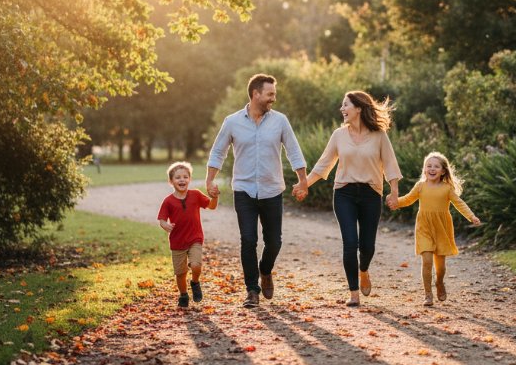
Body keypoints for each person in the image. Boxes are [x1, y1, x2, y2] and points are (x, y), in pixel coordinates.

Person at [206, 74, 308, 308]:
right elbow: (218, 152)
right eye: (270, 93)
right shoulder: (232, 121)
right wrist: (210, 180)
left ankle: (265, 270)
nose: (274, 97)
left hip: (272, 189)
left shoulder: (280, 121)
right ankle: (252, 290)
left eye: (274, 93)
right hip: (244, 190)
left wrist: (303, 181)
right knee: (248, 240)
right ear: (256, 94)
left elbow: (294, 150)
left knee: (274, 242)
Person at [297, 90, 402, 307]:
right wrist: (304, 184)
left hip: (371, 194)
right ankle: (353, 292)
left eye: (346, 105)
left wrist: (394, 191)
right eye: (342, 106)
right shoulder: (338, 135)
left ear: (359, 109)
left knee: (367, 246)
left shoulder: (379, 136)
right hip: (344, 193)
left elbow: (390, 164)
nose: (342, 109)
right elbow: (323, 164)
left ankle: (364, 270)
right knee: (350, 243)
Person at [391, 152, 481, 306]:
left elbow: (459, 203)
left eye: (436, 166)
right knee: (426, 261)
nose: (432, 169)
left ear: (443, 171)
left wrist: (471, 216)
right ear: (424, 169)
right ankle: (427, 294)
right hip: (424, 226)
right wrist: (395, 202)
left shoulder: (447, 188)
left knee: (440, 267)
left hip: (441, 228)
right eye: (429, 166)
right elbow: (408, 199)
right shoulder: (420, 186)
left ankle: (439, 282)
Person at [157, 161, 219, 308]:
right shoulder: (168, 201)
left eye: (185, 176)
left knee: (196, 265)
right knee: (180, 273)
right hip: (177, 242)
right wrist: (165, 225)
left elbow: (211, 206)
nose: (182, 180)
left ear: (189, 179)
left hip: (195, 239)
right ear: (171, 181)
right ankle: (183, 294)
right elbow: (161, 220)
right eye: (178, 177)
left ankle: (195, 282)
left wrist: (215, 196)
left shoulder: (196, 195)